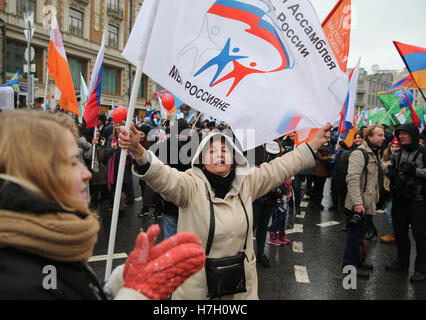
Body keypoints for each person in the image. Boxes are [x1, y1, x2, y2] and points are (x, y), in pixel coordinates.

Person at [0, 110, 205, 299]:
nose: (86, 173)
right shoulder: (7, 278)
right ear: (32, 174)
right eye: (74, 162)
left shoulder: (43, 242)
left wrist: (116, 286)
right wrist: (136, 295)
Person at [118, 121, 331, 299]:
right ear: (201, 159)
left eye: (224, 150)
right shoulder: (189, 185)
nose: (219, 155)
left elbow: (281, 166)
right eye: (211, 151)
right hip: (198, 290)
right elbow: (163, 176)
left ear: (233, 158)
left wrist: (312, 145)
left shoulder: (247, 182)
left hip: (242, 290)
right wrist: (138, 150)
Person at [342, 125, 385, 279]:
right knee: (353, 239)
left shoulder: (375, 153)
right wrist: (358, 203)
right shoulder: (360, 153)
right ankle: (349, 271)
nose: (383, 137)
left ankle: (357, 262)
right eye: (380, 135)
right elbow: (352, 179)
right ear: (370, 137)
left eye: (383, 135)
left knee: (360, 237)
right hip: (358, 205)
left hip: (368, 204)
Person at [386, 123, 426, 282]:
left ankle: (421, 269)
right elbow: (389, 169)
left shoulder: (423, 153)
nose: (401, 137)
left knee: (420, 235)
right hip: (400, 199)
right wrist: (393, 174)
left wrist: (414, 171)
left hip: (418, 200)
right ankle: (402, 261)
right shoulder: (397, 154)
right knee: (400, 232)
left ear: (414, 135)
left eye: (405, 134)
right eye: (399, 134)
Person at [250, 139, 284, 267]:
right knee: (252, 225)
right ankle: (244, 253)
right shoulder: (255, 147)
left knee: (264, 226)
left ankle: (260, 253)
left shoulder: (278, 147)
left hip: (272, 196)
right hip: (257, 195)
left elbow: (281, 170)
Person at [380, 139, 400, 243]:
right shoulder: (385, 157)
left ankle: (393, 234)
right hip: (386, 189)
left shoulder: (399, 158)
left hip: (395, 190)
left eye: (397, 147)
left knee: (390, 213)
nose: (394, 149)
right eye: (392, 147)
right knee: (390, 212)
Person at [309, 130, 332, 209]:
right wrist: (329, 157)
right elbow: (319, 157)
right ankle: (312, 202)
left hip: (325, 170)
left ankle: (318, 202)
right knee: (316, 187)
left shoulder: (329, 145)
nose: (328, 137)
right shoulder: (319, 145)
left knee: (321, 187)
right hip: (318, 170)